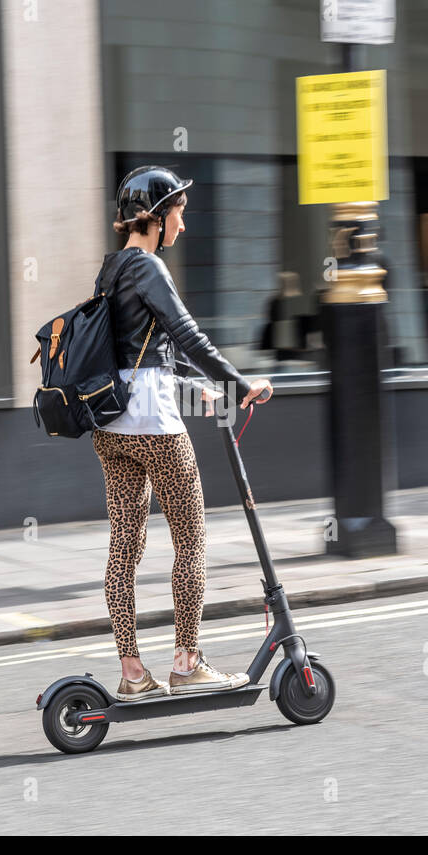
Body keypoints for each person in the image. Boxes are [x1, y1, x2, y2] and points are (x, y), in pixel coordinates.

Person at [93, 165, 274, 702]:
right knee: (191, 537)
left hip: (111, 423)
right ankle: (187, 661)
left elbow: (145, 350)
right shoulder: (149, 266)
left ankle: (131, 672)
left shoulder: (111, 268)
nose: (183, 225)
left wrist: (199, 384)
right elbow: (187, 335)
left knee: (125, 545)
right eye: (179, 213)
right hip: (154, 423)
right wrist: (239, 383)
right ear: (156, 215)